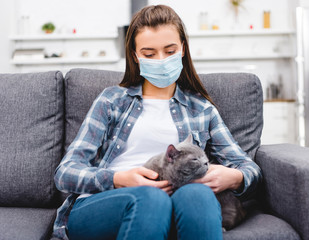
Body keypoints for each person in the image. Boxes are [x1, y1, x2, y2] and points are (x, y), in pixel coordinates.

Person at [52, 4, 262, 240]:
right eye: (150, 54)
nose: (161, 60)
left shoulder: (202, 109)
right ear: (135, 56)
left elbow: (248, 167)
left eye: (169, 51)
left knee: (198, 195)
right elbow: (65, 173)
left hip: (178, 204)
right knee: (151, 198)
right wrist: (117, 179)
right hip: (106, 205)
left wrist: (235, 177)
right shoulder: (112, 101)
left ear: (183, 49)